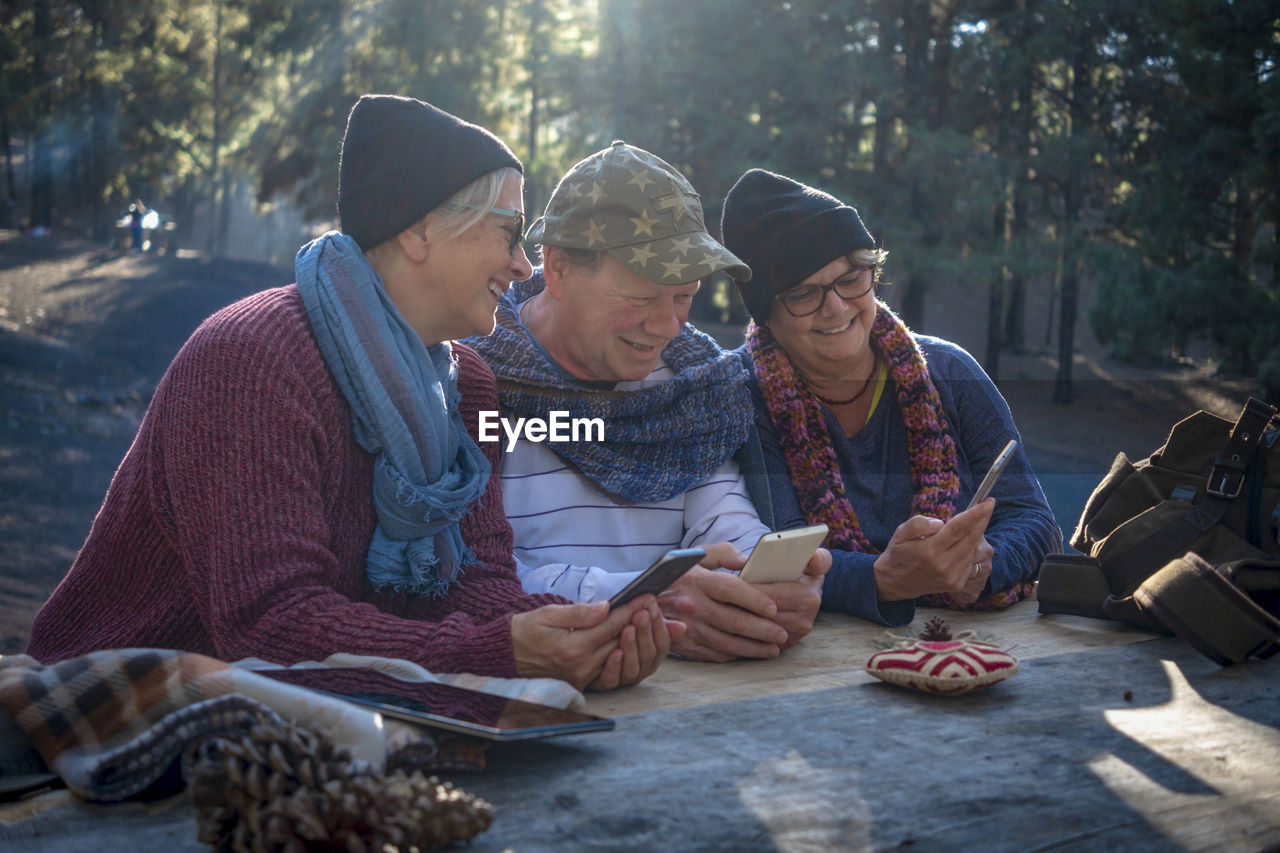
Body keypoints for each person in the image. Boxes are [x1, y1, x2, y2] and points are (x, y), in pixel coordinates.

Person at [26, 95, 677, 692]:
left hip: (329, 716)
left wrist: (592, 626)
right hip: (129, 703)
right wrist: (497, 651)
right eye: (509, 232)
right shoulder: (252, 358)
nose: (524, 265)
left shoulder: (468, 386)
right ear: (418, 230)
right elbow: (272, 628)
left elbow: (480, 589)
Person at [467, 142, 830, 663]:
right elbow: (462, 572)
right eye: (641, 297)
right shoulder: (466, 381)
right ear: (559, 267)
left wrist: (764, 585)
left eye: (684, 296)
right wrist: (636, 599)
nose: (667, 325)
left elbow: (724, 519)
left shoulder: (695, 386)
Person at [720, 168, 1061, 626]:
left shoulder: (950, 371)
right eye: (804, 293)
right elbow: (770, 549)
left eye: (851, 278)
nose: (837, 306)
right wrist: (881, 580)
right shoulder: (738, 395)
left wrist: (982, 565)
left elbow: (1034, 519)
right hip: (811, 666)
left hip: (973, 645)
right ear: (765, 315)